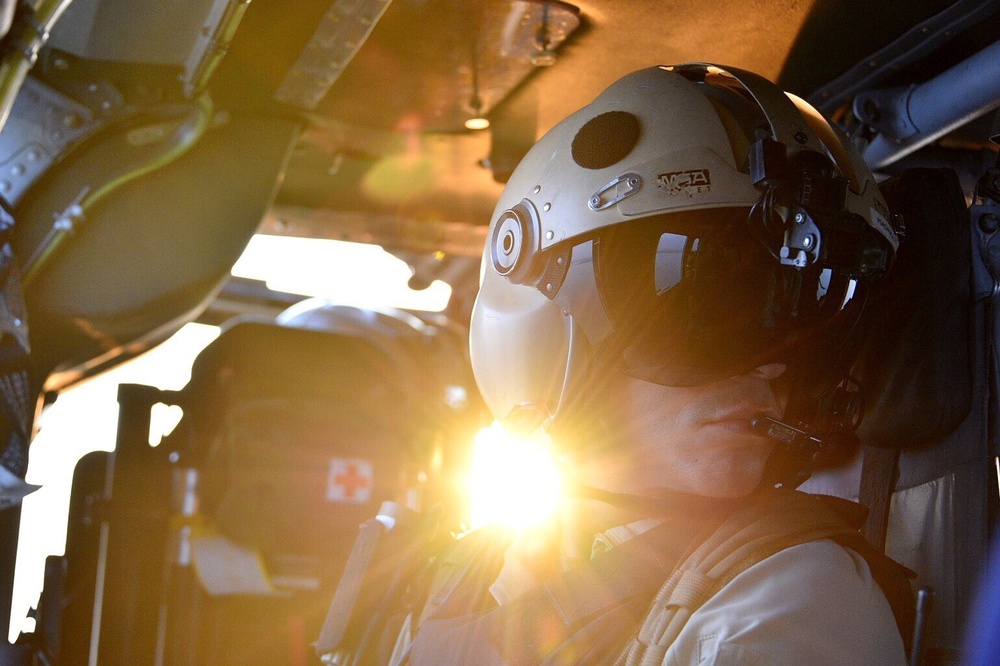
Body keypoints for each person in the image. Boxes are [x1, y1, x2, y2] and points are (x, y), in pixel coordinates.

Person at [322, 63, 915, 665]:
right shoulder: (468, 568)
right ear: (546, 332)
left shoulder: (785, 602)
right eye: (703, 319)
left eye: (804, 330)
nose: (771, 370)